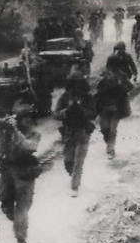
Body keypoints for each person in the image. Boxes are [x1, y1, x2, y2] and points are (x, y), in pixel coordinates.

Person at [0, 103, 41, 243]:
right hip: (7, 172)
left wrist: (15, 132)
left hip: (24, 172)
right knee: (6, 204)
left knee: (22, 207)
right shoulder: (8, 133)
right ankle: (18, 224)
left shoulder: (34, 133)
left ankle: (21, 240)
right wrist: (3, 133)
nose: (27, 121)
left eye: (29, 118)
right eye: (24, 118)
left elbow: (30, 147)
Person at [54, 68, 96, 197]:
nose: (76, 86)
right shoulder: (65, 97)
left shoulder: (88, 97)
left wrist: (81, 110)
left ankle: (74, 186)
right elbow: (55, 114)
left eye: (79, 83)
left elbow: (94, 113)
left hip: (83, 131)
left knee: (79, 160)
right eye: (74, 83)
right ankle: (73, 175)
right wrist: (67, 111)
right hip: (68, 131)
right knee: (68, 161)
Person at [95, 55, 133, 159]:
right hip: (104, 106)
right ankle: (109, 144)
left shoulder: (122, 75)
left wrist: (121, 87)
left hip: (117, 106)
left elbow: (130, 87)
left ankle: (110, 148)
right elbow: (96, 88)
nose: (113, 67)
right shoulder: (104, 75)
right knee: (104, 129)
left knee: (112, 129)